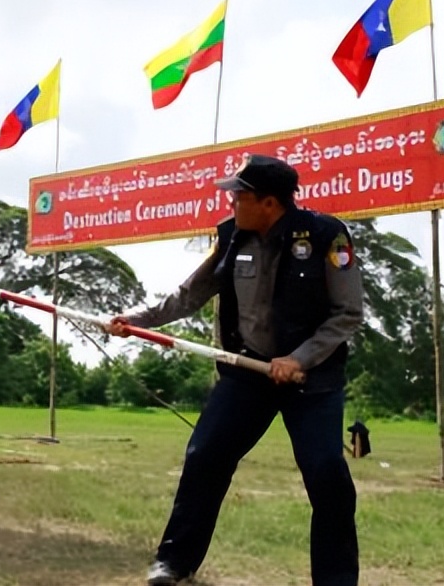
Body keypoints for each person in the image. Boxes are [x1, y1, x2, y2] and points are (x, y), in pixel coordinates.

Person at [108, 154, 364, 586]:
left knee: (326, 474)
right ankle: (174, 562)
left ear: (268, 203)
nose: (230, 204)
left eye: (238, 196)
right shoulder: (230, 238)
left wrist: (297, 359)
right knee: (205, 455)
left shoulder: (326, 236)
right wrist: (138, 321)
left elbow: (347, 314)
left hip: (311, 380)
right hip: (247, 374)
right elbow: (188, 295)